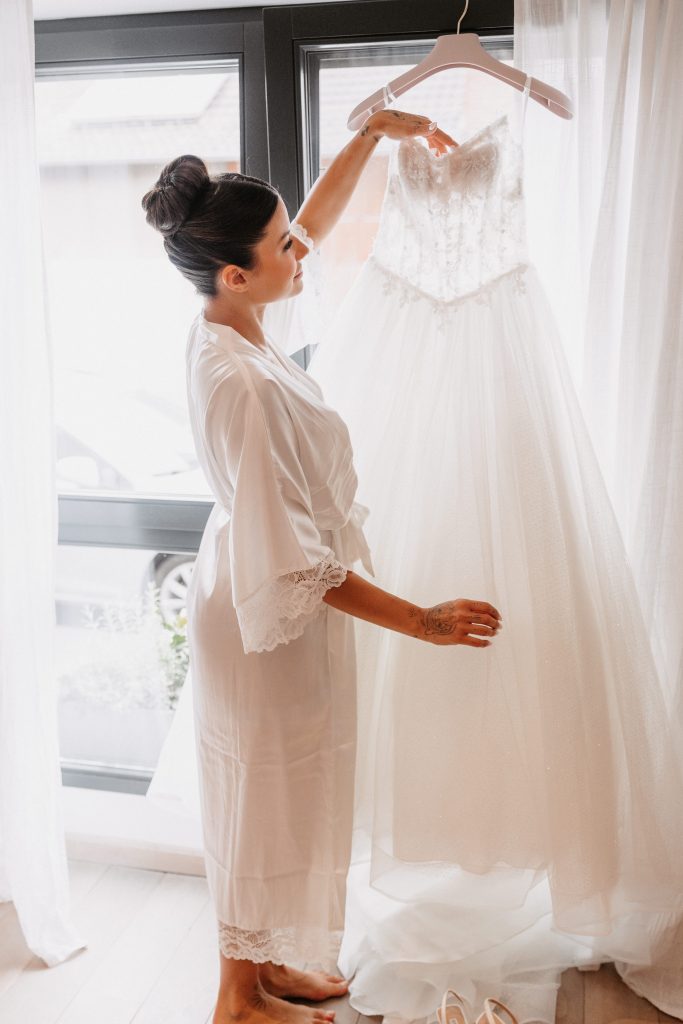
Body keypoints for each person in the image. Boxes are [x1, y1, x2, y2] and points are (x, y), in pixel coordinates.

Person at [141, 108, 502, 1024]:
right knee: (260, 797)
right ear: (236, 273)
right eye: (281, 244)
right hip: (269, 602)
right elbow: (301, 564)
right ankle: (238, 998)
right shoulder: (245, 384)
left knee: (286, 790)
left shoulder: (227, 316)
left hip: (262, 591)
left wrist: (374, 134)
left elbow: (313, 221)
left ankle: (268, 968)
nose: (299, 249)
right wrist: (422, 620)